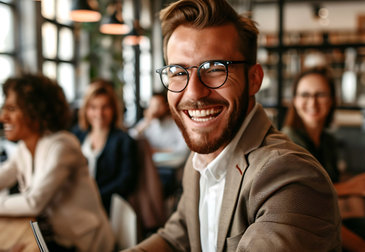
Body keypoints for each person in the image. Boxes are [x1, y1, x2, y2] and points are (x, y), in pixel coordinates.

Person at [125, 0, 341, 251]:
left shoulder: (288, 175)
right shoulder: (200, 160)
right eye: (178, 71)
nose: (194, 92)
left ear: (254, 79)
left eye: (215, 68)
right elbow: (177, 238)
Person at [282, 67, 365, 252]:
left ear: (332, 100)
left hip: (325, 221)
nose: (312, 102)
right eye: (304, 95)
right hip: (303, 230)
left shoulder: (327, 141)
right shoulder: (289, 141)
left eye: (320, 94)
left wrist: (359, 191)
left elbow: (328, 194)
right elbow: (305, 197)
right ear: (295, 101)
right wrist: (351, 187)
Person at [0, 74, 114, 251]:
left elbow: (34, 202)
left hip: (82, 243)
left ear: (35, 112)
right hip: (52, 237)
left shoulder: (62, 146)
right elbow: (4, 175)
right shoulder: (24, 148)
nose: (3, 117)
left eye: (12, 109)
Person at [72, 79, 137, 214]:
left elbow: (125, 182)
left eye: (105, 107)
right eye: (93, 107)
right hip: (76, 204)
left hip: (109, 209)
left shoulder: (124, 141)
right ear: (85, 110)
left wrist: (94, 198)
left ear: (114, 109)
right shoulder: (76, 135)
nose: (99, 113)